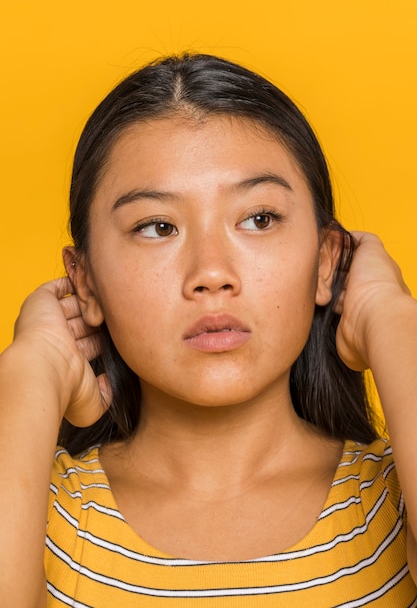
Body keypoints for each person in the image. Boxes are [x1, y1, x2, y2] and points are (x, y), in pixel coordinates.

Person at [1, 53, 416, 607]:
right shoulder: (34, 514)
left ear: (325, 261)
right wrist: (30, 369)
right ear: (86, 283)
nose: (211, 273)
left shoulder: (394, 502)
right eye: (157, 226)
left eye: (259, 219)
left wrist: (389, 313)